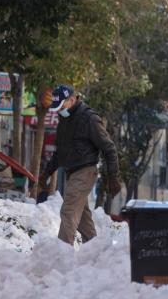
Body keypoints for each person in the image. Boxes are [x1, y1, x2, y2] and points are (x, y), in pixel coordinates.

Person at [39, 84, 119, 245]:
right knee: (82, 218)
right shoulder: (65, 119)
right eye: (57, 107)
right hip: (71, 173)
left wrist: (113, 177)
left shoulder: (89, 118)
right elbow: (60, 151)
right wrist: (46, 173)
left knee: (68, 211)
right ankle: (94, 250)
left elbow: (109, 148)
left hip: (85, 171)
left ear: (72, 99)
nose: (60, 110)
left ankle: (62, 254)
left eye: (62, 105)